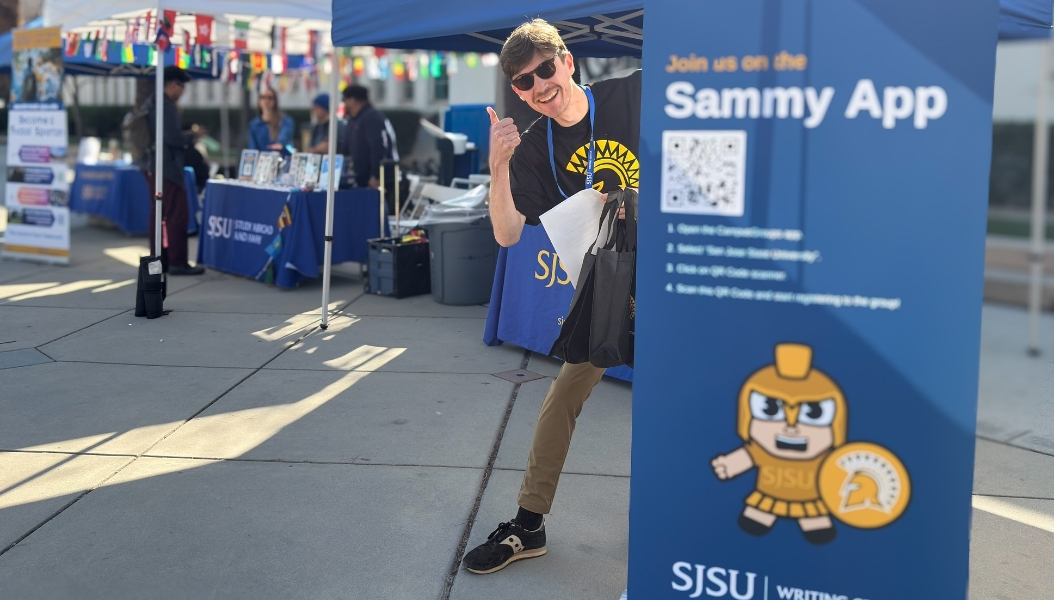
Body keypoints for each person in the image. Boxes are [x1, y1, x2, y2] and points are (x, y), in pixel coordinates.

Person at [460, 19, 641, 574]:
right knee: (563, 395)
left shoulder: (632, 94)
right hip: (608, 286)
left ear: (566, 61)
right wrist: (498, 166)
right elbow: (508, 233)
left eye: (544, 68)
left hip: (677, 274)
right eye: (522, 81)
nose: (538, 84)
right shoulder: (534, 147)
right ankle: (529, 524)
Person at [145, 66, 203, 276]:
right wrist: (192, 136)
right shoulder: (166, 106)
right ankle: (177, 261)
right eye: (181, 87)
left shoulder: (151, 102)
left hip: (153, 165)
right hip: (167, 168)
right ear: (173, 85)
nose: (182, 92)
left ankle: (159, 260)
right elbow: (173, 139)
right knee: (177, 215)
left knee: (158, 215)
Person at [342, 85, 398, 188]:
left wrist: (375, 175)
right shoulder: (353, 120)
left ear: (353, 100)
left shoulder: (372, 117)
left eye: (345, 100)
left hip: (375, 181)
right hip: (360, 178)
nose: (344, 104)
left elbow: (379, 147)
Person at [248, 87, 295, 151]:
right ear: (259, 101)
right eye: (263, 97)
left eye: (270, 98)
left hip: (282, 157)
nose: (266, 101)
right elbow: (253, 147)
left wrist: (280, 143)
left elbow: (285, 135)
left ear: (275, 101)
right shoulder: (254, 124)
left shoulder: (285, 121)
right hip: (262, 159)